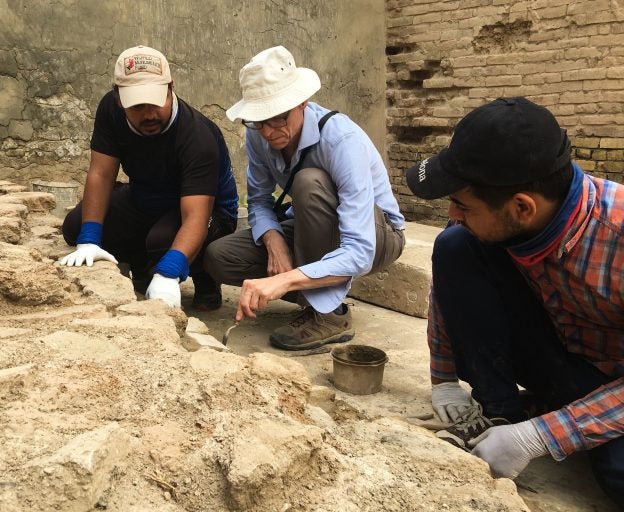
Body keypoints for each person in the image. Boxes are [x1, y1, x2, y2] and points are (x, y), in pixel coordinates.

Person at [404, 97, 623, 506]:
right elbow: (451, 286)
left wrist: (544, 435)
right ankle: (504, 410)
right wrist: (444, 379)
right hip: (560, 354)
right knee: (456, 244)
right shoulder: (497, 220)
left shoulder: (617, 236)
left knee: (619, 474)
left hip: (614, 380)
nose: (453, 211)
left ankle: (537, 419)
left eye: (464, 204)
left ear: (523, 207)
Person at [204, 46, 406, 350]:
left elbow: (360, 250)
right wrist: (275, 244)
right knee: (219, 257)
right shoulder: (257, 135)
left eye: (278, 119)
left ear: (302, 102)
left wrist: (283, 280)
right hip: (311, 223)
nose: (269, 132)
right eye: (259, 121)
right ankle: (312, 289)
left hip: (377, 233)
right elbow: (258, 200)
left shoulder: (341, 140)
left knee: (308, 182)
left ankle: (330, 314)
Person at [59, 45, 238, 311]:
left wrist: (170, 270)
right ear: (119, 99)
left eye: (156, 101)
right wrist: (90, 238)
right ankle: (141, 263)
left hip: (210, 212)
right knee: (76, 225)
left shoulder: (197, 137)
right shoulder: (110, 110)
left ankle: (203, 275)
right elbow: (101, 172)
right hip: (146, 197)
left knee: (162, 243)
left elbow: (196, 217)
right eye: (138, 105)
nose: (149, 114)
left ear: (170, 87)